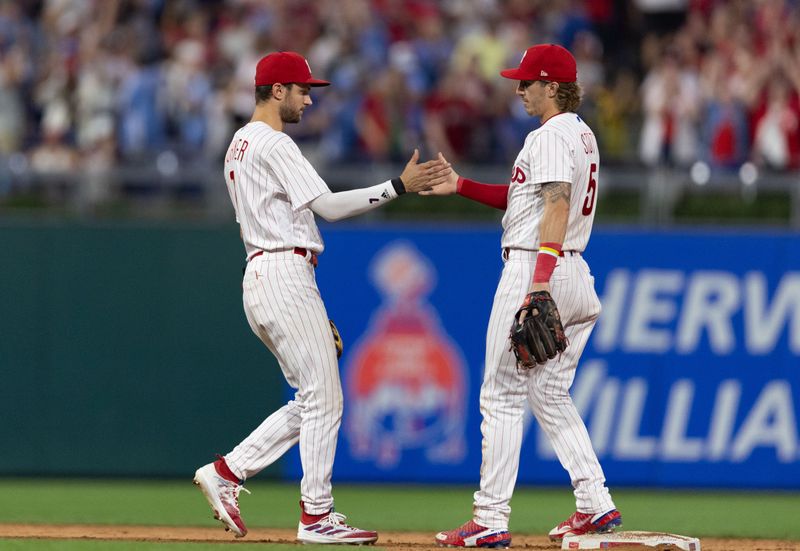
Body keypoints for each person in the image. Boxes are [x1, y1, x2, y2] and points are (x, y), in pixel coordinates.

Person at [193, 51, 450, 545]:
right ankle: (316, 515)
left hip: (265, 274)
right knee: (325, 397)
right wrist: (398, 186)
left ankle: (227, 471)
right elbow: (329, 207)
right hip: (284, 270)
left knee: (314, 397)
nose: (309, 99)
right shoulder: (273, 142)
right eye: (302, 89)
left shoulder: (238, 143)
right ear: (275, 90)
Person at [423, 44, 622, 547]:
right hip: (575, 273)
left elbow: (554, 205)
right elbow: (524, 201)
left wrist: (537, 283)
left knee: (501, 393)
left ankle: (490, 518)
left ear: (552, 86)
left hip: (539, 267)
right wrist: (462, 185)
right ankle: (595, 503)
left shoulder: (551, 134)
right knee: (549, 393)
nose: (519, 89)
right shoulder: (580, 133)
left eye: (528, 82)